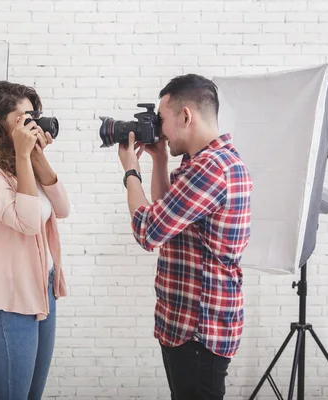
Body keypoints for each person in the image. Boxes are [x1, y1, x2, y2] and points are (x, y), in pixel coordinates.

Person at [117, 74, 253, 400]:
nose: (158, 129)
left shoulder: (211, 168)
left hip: (197, 330)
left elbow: (149, 231)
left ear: (186, 116)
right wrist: (160, 159)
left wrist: (130, 170)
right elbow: (169, 218)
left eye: (161, 119)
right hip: (189, 324)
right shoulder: (203, 163)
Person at [0, 81, 70, 400]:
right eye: (22, 117)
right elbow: (27, 222)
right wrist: (24, 157)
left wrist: (36, 157)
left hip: (43, 290)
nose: (31, 124)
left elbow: (62, 209)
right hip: (10, 302)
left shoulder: (23, 162)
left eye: (33, 116)